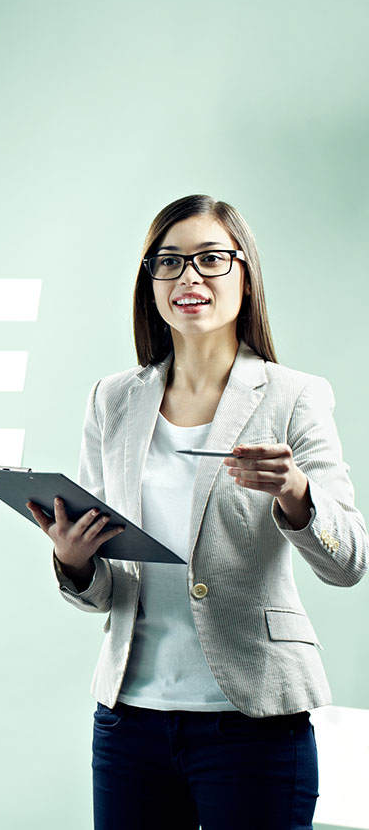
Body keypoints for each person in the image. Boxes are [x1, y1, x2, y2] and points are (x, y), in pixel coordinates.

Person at [26, 195, 368, 830]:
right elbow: (104, 592)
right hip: (130, 722)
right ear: (149, 278)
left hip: (254, 723)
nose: (189, 278)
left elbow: (349, 561)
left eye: (211, 259)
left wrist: (295, 492)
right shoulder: (113, 400)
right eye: (170, 262)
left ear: (245, 273)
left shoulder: (295, 396)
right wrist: (73, 562)